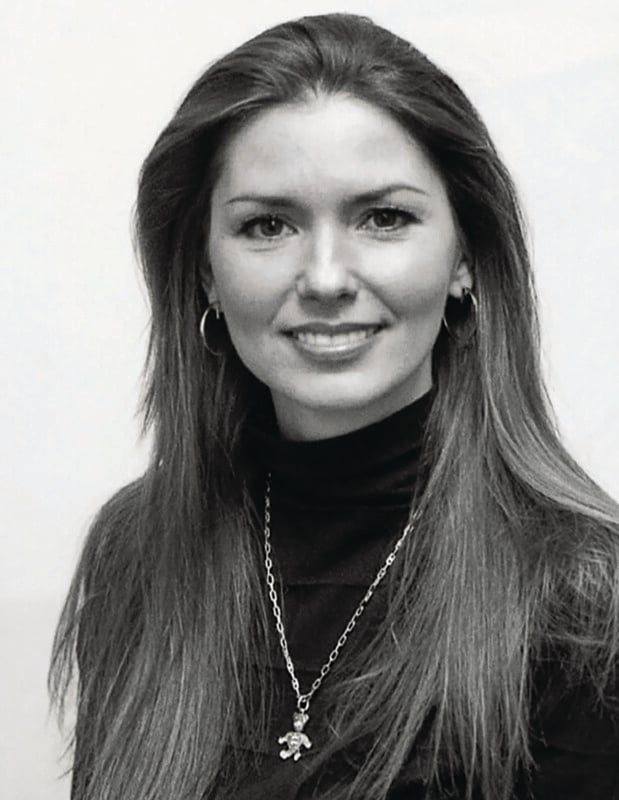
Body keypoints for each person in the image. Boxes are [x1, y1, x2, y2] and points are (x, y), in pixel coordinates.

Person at [49, 12, 619, 800]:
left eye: (382, 218)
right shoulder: (137, 553)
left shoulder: (584, 597)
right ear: (205, 272)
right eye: (267, 224)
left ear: (464, 258)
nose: (323, 278)